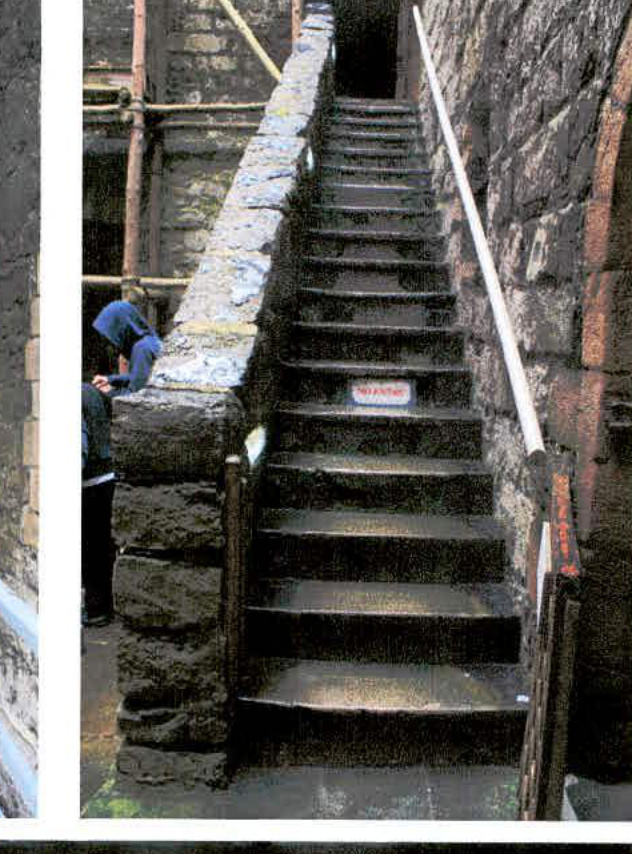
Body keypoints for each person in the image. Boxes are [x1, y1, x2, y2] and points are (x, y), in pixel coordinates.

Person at [82, 383, 115, 626]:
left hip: (90, 483)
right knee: (102, 548)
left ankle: (97, 609)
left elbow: (80, 445)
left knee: (90, 550)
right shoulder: (92, 392)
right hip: (107, 477)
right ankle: (104, 606)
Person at [91, 300, 161, 396]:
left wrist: (109, 392)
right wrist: (110, 380)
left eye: (111, 335)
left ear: (120, 327)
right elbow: (139, 378)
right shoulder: (149, 341)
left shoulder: (142, 349)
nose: (111, 343)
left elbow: (136, 396)